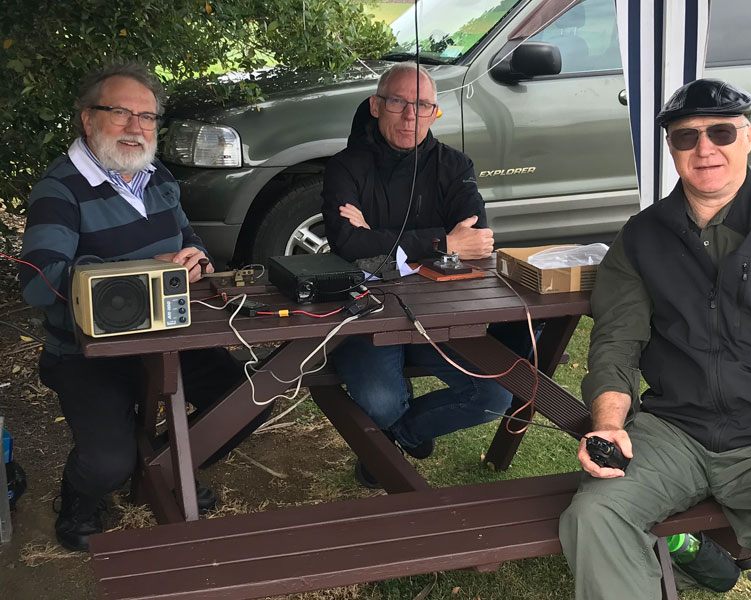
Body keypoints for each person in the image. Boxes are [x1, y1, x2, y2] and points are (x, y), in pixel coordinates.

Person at [558, 78, 751, 599]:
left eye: (721, 132)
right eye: (686, 136)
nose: (705, 148)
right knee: (595, 517)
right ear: (671, 148)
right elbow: (616, 342)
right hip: (674, 433)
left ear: (748, 137)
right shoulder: (641, 236)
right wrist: (609, 425)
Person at [19, 62, 269, 552]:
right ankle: (80, 499)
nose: (136, 127)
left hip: (171, 335)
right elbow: (38, 280)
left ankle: (163, 467)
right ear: (88, 119)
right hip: (88, 353)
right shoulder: (59, 190)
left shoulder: (156, 176)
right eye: (121, 113)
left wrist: (196, 259)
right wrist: (142, 273)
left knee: (248, 403)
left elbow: (188, 237)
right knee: (109, 464)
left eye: (148, 116)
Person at [321, 62, 515, 488]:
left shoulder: (454, 165)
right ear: (375, 106)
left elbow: (477, 239)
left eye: (423, 105)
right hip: (367, 317)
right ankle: (392, 430)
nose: (411, 116)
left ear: (434, 112)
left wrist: (380, 241)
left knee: (494, 395)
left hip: (437, 316)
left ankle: (401, 436)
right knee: (381, 400)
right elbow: (350, 248)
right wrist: (443, 243)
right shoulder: (344, 167)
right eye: (398, 102)